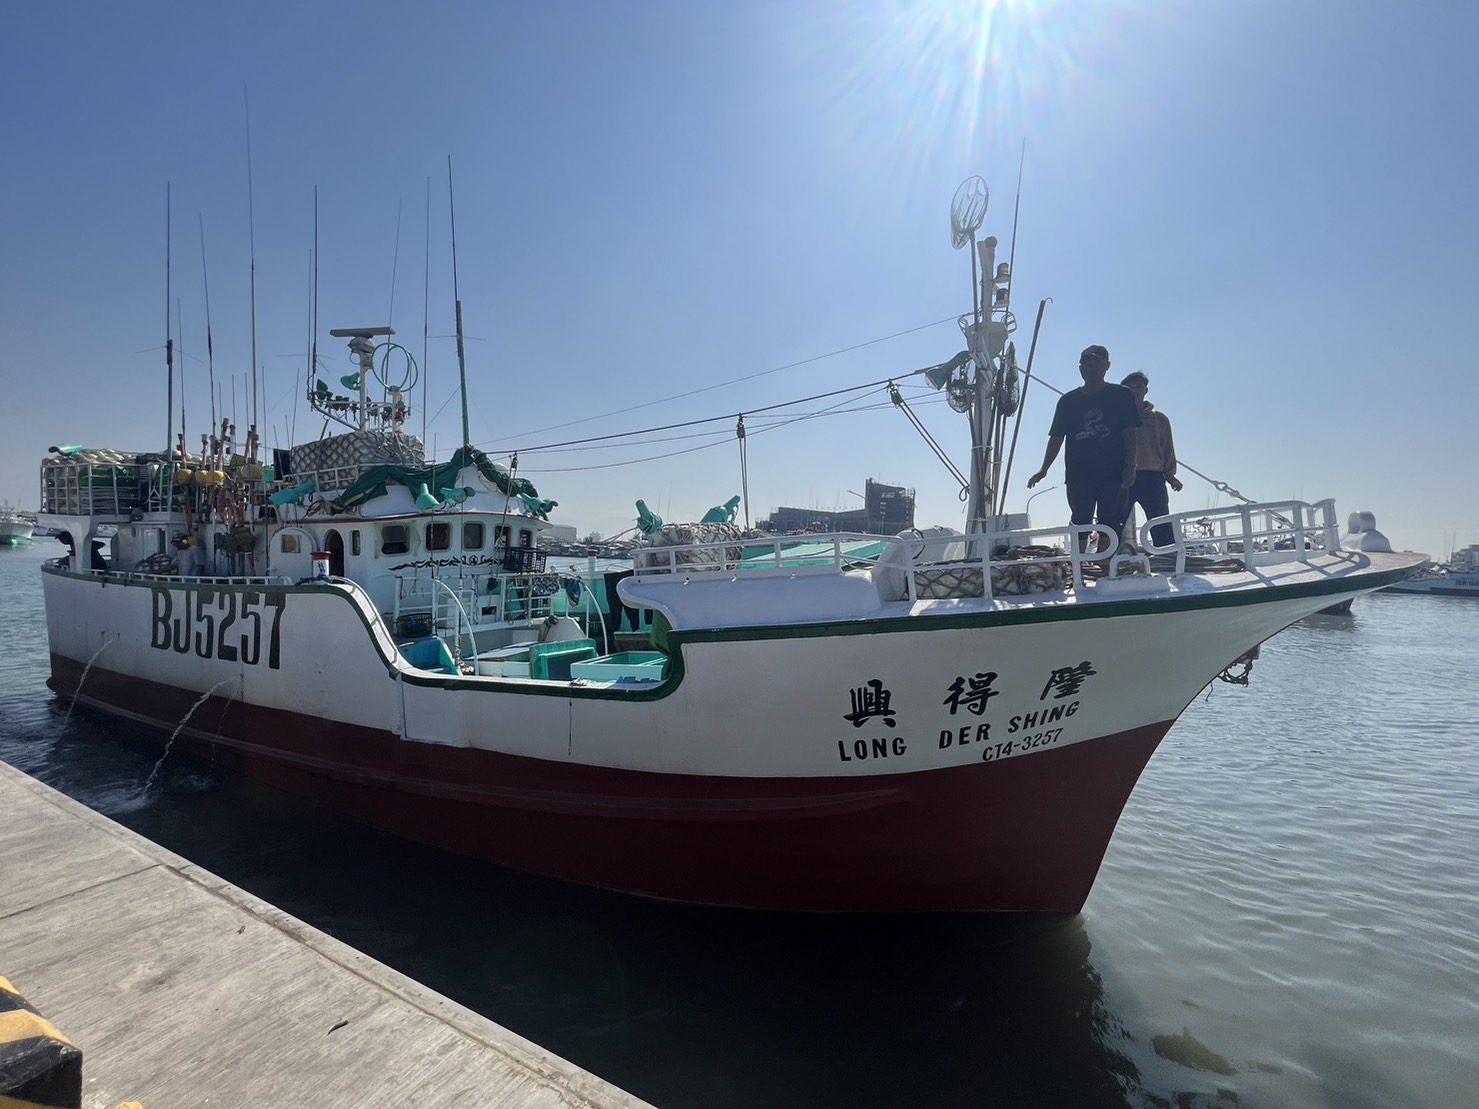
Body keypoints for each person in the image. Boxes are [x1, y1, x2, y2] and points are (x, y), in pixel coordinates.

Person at [1026, 344, 1141, 552]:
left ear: (1107, 366)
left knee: (1110, 523)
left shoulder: (1121, 395)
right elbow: (1056, 437)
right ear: (1080, 368)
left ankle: (1105, 565)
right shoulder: (1068, 401)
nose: (1091, 368)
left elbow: (1130, 432)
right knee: (1080, 521)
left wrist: (1131, 464)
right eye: (1087, 364)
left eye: (1097, 363)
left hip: (1114, 472)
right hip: (1079, 475)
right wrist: (1044, 469)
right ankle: (1079, 564)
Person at [1120, 371, 1183, 547]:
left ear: (1145, 390)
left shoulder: (1159, 419)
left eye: (1138, 387)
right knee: (1115, 522)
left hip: (1152, 477)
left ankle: (1168, 558)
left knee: (1160, 521)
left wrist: (1170, 476)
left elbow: (1167, 447)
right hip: (1123, 477)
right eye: (1130, 388)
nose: (1134, 390)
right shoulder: (1117, 418)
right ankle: (1109, 558)